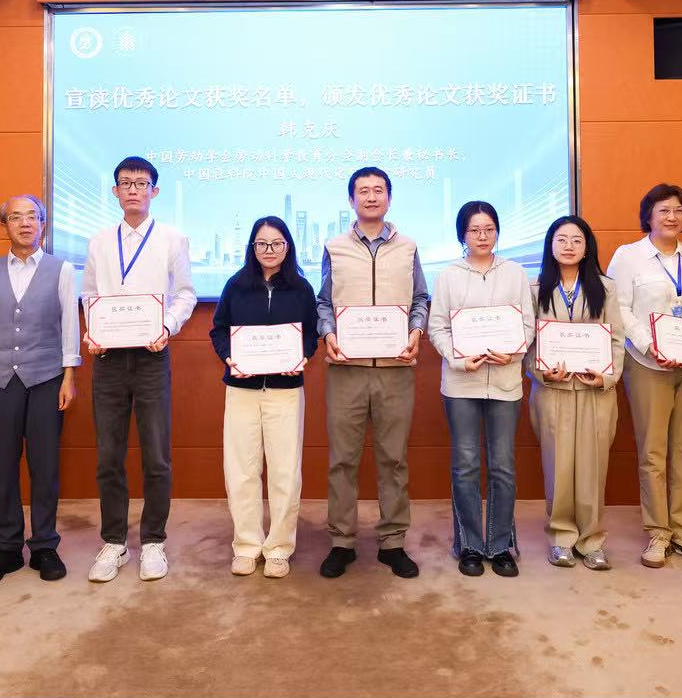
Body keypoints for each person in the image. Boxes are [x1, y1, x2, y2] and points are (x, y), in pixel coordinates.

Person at [81, 156, 197, 584]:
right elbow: (89, 295)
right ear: (115, 191)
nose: (133, 189)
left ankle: (153, 541)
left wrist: (167, 326)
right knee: (108, 455)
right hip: (108, 358)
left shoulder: (172, 239)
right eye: (126, 183)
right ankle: (114, 542)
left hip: (152, 356)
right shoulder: (98, 242)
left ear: (154, 191)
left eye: (141, 183)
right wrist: (94, 330)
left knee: (156, 454)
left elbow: (185, 294)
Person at [315, 166, 432, 579]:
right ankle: (342, 542)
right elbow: (323, 302)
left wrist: (416, 331)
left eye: (378, 190)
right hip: (346, 369)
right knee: (342, 460)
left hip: (396, 369)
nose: (370, 196)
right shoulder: (334, 247)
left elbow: (421, 297)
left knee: (394, 459)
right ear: (351, 200)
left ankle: (393, 542)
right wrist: (328, 333)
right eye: (362, 191)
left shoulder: (408, 247)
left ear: (389, 198)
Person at [606, 183, 682, 570]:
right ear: (648, 216)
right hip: (649, 366)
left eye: (679, 210)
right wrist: (649, 346)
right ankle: (658, 531)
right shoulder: (628, 256)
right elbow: (619, 309)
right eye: (663, 210)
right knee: (653, 451)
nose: (672, 216)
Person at [0, 194, 81, 587]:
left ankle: (44, 544)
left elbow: (69, 328)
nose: (25, 223)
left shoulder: (62, 271)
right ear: (5, 226)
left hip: (46, 377)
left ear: (43, 224)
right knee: (1, 464)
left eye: (32, 216)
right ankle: (7, 547)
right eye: (15, 217)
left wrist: (69, 377)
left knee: (45, 465)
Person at [427, 202, 536, 577]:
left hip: (505, 382)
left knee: (503, 466)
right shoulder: (448, 276)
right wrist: (458, 359)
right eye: (475, 230)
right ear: (463, 235)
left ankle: (501, 545)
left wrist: (513, 351)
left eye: (489, 229)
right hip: (461, 383)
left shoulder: (515, 272)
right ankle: (470, 545)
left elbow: (527, 324)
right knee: (466, 465)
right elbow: (438, 328)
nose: (483, 236)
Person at [209, 217, 320, 579]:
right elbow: (219, 330)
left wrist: (302, 357)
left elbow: (311, 335)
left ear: (288, 246)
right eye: (262, 244)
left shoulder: (301, 288)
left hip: (285, 392)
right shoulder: (236, 285)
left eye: (276, 243)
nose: (269, 250)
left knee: (285, 471)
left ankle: (278, 548)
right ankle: (246, 545)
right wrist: (229, 358)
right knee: (241, 469)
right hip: (241, 390)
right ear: (252, 248)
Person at [528, 215, 624, 571]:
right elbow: (527, 341)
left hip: (595, 390)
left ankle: (592, 540)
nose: (569, 246)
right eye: (561, 239)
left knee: (593, 466)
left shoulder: (606, 288)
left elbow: (617, 338)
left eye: (577, 240)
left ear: (587, 248)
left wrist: (607, 376)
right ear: (550, 245)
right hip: (552, 390)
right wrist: (541, 371)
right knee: (557, 465)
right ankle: (561, 537)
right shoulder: (534, 288)